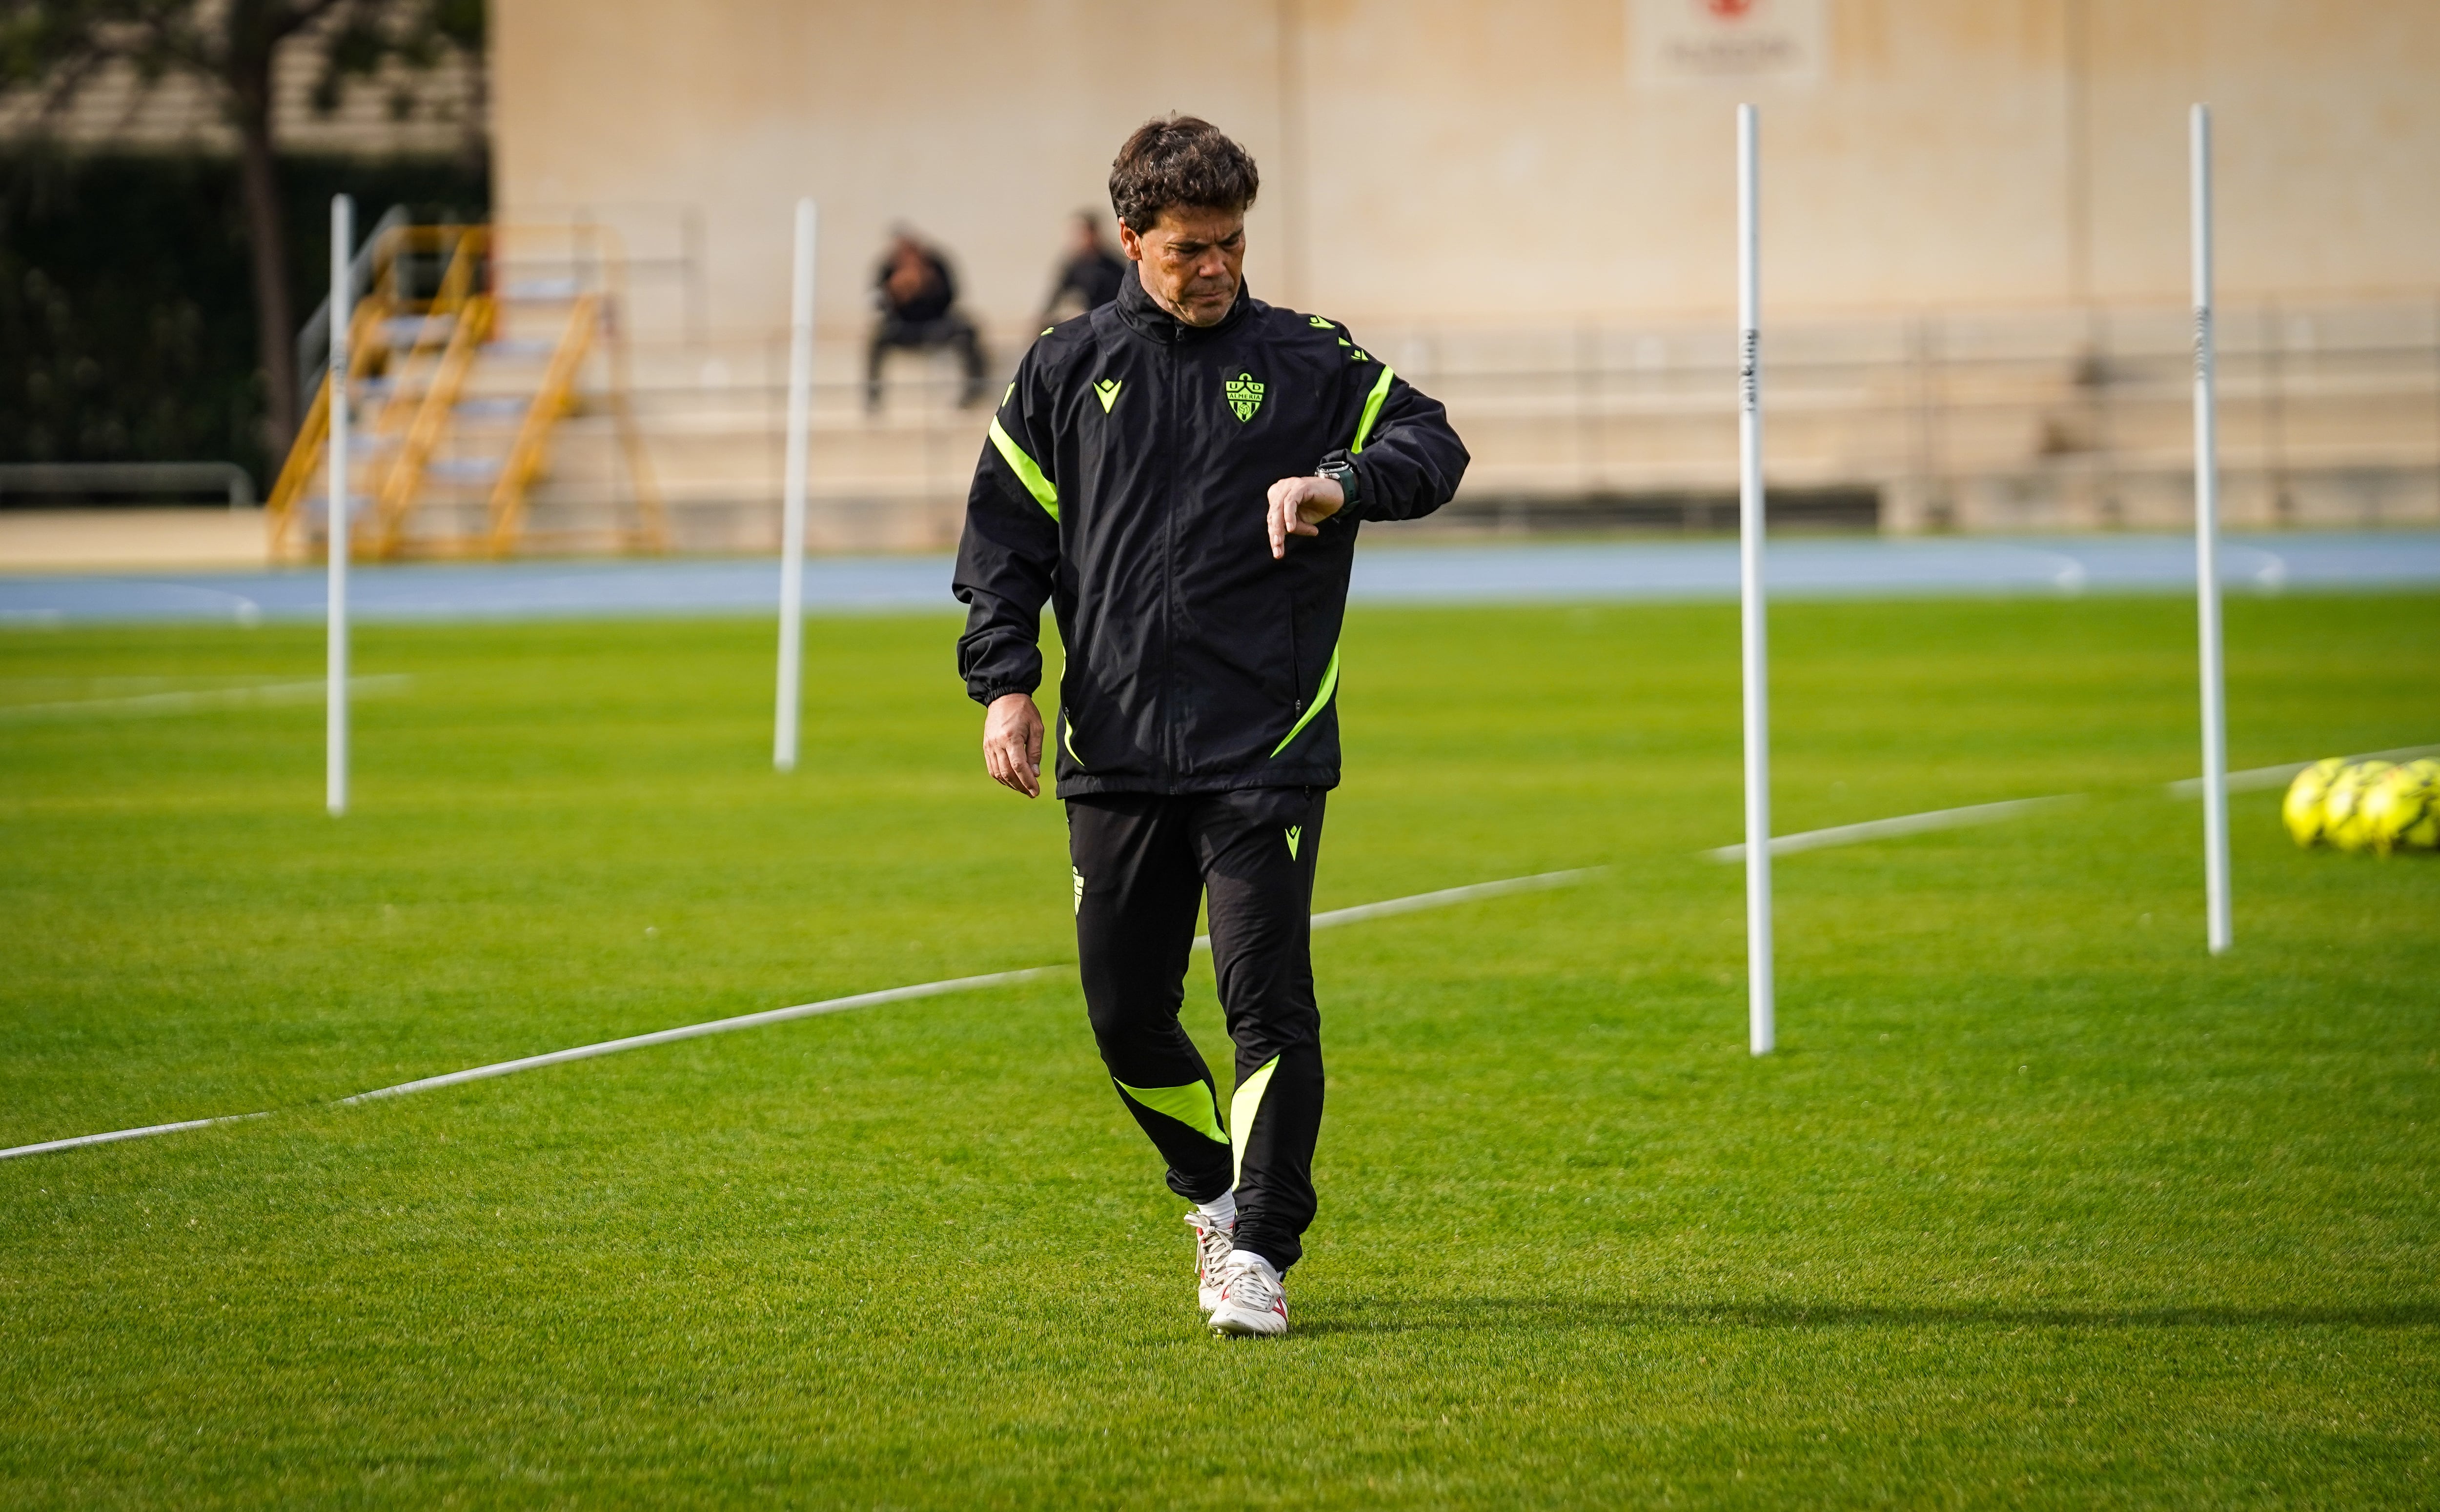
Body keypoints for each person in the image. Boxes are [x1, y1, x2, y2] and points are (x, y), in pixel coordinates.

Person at [952, 116, 1468, 1338]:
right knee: (1125, 1013)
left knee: (1265, 1005)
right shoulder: (1062, 370)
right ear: (1132, 239)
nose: (1217, 267)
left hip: (1265, 747)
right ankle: (1212, 1194)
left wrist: (1339, 479)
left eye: (1231, 243)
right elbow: (1003, 544)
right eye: (1190, 249)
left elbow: (1432, 442)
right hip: (1114, 751)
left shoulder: (1304, 358)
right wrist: (1007, 685)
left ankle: (1260, 1252)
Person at [867, 227, 987, 412]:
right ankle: (873, 397)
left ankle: (974, 392)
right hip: (903, 326)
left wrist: (930, 285)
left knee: (967, 332)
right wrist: (896, 291)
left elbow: (953, 296)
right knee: (876, 340)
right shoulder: (888, 268)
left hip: (936, 323)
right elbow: (876, 303)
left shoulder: (936, 264)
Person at [1037, 210, 1128, 323]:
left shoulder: (1112, 266)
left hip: (1111, 319)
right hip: (1089, 319)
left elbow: (1124, 298)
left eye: (1083, 233)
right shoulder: (1075, 265)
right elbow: (1057, 294)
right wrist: (1043, 318)